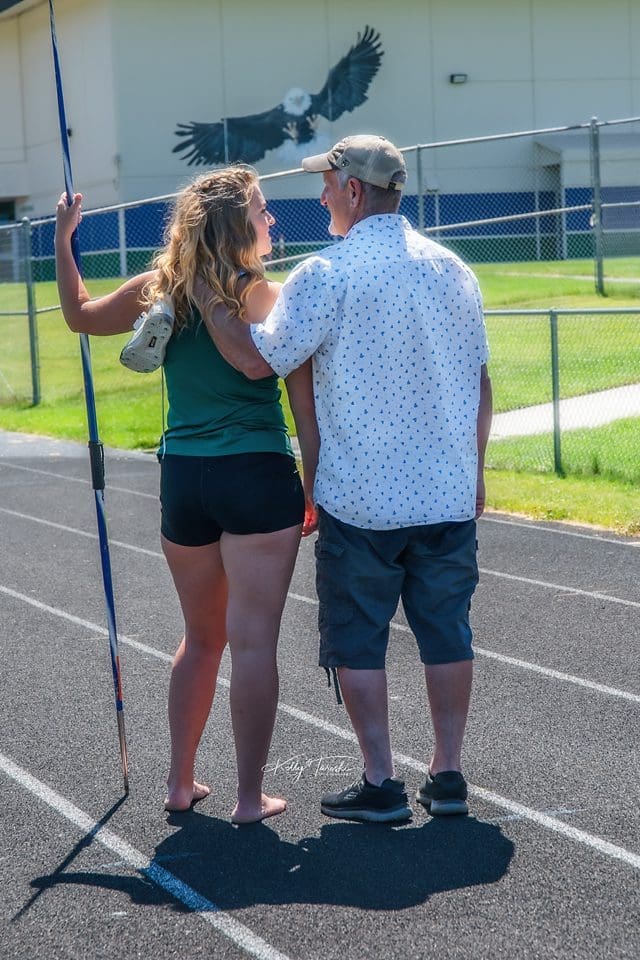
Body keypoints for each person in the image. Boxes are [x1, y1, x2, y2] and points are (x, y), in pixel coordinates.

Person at [200, 135, 493, 823]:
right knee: (447, 633)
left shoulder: (325, 273)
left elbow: (258, 360)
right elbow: (481, 385)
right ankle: (448, 774)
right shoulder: (455, 270)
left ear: (354, 191)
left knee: (359, 639)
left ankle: (381, 781)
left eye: (328, 183)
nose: (321, 194)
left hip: (361, 497)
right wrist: (475, 471)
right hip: (447, 490)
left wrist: (209, 296)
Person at [55, 166, 319, 824]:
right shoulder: (261, 294)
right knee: (252, 643)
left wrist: (64, 240)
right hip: (254, 474)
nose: (271, 221)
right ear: (234, 225)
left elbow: (79, 315)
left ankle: (180, 783)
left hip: (185, 480)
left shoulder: (160, 286)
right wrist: (314, 482)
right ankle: (250, 798)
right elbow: (282, 382)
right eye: (261, 211)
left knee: (201, 640)